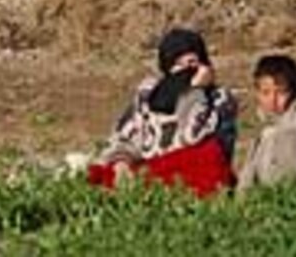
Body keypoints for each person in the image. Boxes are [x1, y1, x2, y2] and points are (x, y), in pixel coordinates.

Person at [88, 27, 238, 197]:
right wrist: (121, 162)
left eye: (191, 63)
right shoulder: (149, 94)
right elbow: (125, 138)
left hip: (191, 177)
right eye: (178, 65)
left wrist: (195, 92)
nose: (185, 71)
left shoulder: (219, 99)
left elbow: (192, 136)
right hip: (147, 172)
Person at [237, 54, 296, 192]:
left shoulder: (291, 132)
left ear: (294, 93)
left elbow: (279, 187)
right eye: (266, 92)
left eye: (280, 93)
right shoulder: (270, 128)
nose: (272, 101)